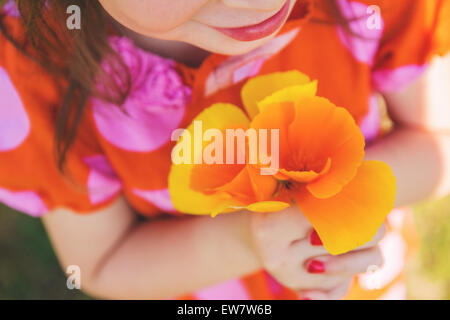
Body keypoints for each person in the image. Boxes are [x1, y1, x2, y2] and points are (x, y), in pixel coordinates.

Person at [0, 0, 448, 299]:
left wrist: (330, 203)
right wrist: (248, 239)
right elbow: (100, 264)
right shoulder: (35, 68)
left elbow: (436, 144)